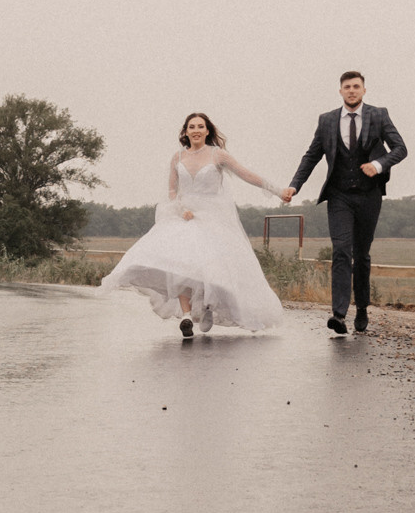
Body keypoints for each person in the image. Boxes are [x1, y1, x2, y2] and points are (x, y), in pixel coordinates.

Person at [99, 113, 289, 342]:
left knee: (211, 266)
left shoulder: (218, 155)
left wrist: (278, 191)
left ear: (207, 131)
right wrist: (180, 208)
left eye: (200, 126)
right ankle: (186, 316)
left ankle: (208, 306)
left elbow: (246, 174)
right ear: (186, 132)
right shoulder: (178, 156)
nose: (196, 130)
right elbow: (172, 190)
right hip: (185, 216)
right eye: (192, 127)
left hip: (212, 217)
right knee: (180, 264)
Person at [287, 69, 407, 334]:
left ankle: (361, 307)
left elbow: (400, 149)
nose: (351, 91)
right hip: (339, 195)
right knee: (341, 250)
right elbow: (312, 156)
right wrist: (295, 185)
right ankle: (339, 314)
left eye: (356, 86)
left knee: (361, 254)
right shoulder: (327, 120)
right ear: (340, 91)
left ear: (364, 90)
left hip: (369, 195)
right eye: (347, 87)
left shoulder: (379, 115)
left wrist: (378, 164)